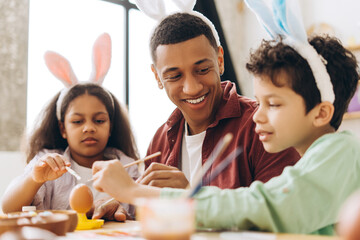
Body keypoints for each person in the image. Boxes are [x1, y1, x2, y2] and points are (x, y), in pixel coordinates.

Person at [91, 33, 360, 235]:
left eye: (274, 104)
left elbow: (263, 206)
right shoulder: (319, 157)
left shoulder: (341, 152)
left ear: (321, 113)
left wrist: (135, 192)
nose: (257, 115)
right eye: (259, 101)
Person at [135, 1, 300, 189]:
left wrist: (189, 196)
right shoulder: (159, 142)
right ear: (157, 76)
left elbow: (279, 213)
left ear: (220, 60)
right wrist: (126, 205)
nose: (192, 88)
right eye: (174, 76)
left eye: (203, 69)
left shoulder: (262, 128)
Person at [1, 33, 139, 222]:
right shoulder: (46, 163)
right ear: (62, 129)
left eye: (99, 121)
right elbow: (8, 208)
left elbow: (146, 213)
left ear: (111, 126)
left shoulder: (125, 166)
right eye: (77, 121)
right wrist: (34, 179)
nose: (89, 128)